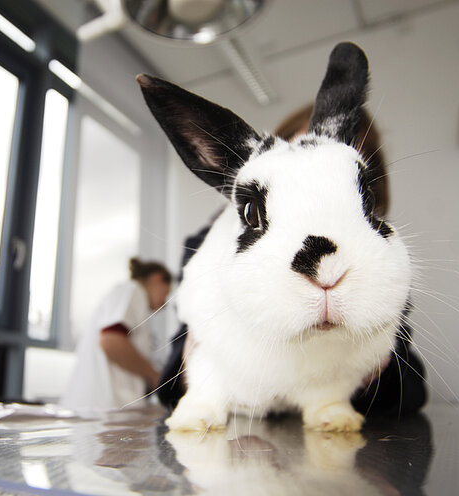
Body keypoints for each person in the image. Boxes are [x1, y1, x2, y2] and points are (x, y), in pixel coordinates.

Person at [158, 105, 427, 416]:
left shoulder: (372, 259)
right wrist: (201, 370)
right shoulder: (208, 249)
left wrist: (371, 368)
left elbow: (412, 387)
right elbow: (169, 382)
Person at [61, 258, 172, 411]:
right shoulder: (132, 290)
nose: (164, 303)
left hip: (102, 408)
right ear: (157, 277)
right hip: (103, 407)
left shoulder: (129, 296)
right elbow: (111, 340)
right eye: (166, 293)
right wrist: (153, 375)